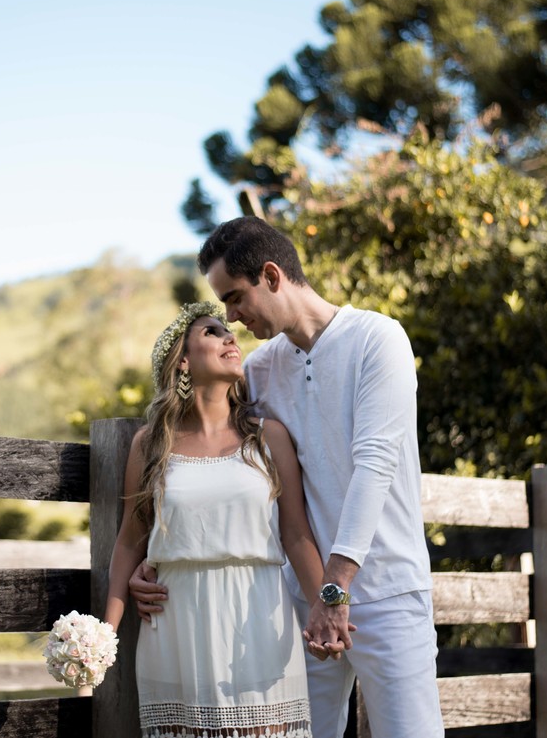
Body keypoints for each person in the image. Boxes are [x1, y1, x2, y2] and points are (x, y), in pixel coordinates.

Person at [132, 217, 443, 737]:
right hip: (297, 606)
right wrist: (154, 556)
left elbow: (374, 467)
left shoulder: (378, 340)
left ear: (272, 276)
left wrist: (335, 591)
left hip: (386, 593)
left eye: (234, 298)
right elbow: (217, 465)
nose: (230, 317)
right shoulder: (259, 370)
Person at [105, 300, 329, 738]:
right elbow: (131, 540)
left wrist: (327, 606)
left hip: (258, 619)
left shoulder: (269, 438)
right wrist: (102, 637)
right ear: (183, 360)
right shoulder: (150, 444)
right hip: (175, 627)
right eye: (212, 332)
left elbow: (296, 535)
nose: (230, 337)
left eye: (229, 331)